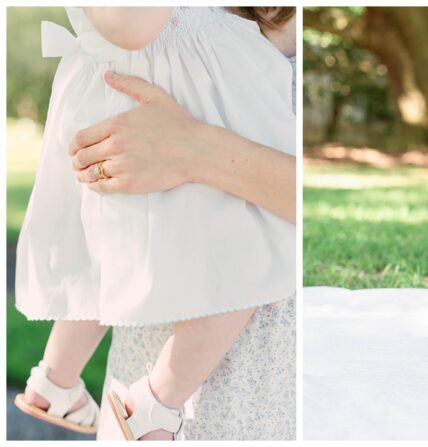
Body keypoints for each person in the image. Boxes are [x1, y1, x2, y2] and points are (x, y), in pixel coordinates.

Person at [14, 7, 296, 440]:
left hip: (139, 85)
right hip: (184, 87)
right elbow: (130, 24)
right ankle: (153, 404)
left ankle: (55, 379)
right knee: (249, 252)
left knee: (114, 245)